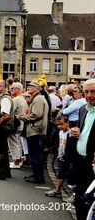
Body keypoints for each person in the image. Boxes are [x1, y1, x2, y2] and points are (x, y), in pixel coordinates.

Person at [71, 79, 95, 219]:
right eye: (86, 92)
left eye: (93, 91)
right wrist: (75, 130)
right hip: (80, 162)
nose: (89, 95)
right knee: (79, 200)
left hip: (93, 165)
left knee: (91, 203)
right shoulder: (82, 109)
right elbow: (83, 129)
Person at [19, 81, 49, 184]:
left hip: (35, 131)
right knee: (34, 154)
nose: (28, 87)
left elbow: (36, 114)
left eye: (31, 86)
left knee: (35, 155)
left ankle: (38, 177)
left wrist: (24, 117)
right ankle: (36, 175)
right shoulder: (37, 98)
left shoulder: (38, 99)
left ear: (36, 88)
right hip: (35, 130)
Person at [45, 115, 70, 197]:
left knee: (64, 174)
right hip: (60, 156)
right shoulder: (60, 132)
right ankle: (57, 189)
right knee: (60, 173)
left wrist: (66, 156)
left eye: (61, 124)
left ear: (67, 123)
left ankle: (59, 190)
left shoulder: (70, 134)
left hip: (66, 157)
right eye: (57, 125)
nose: (59, 126)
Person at [9, 82, 27, 169]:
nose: (11, 90)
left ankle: (17, 161)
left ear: (18, 90)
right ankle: (18, 160)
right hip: (21, 124)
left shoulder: (16, 100)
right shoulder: (22, 99)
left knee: (14, 143)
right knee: (18, 143)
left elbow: (10, 112)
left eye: (12, 88)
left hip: (16, 124)